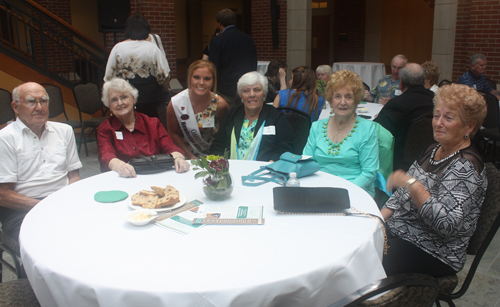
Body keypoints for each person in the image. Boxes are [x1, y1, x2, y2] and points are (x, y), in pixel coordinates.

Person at [381, 83, 488, 278]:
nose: (438, 123)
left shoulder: (465, 167)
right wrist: (378, 220)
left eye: (448, 118)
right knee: (359, 240)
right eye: (436, 115)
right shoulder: (432, 149)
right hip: (403, 233)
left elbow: (446, 225)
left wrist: (412, 184)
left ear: (470, 125)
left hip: (436, 250)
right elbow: (400, 197)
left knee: (369, 261)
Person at [0, 82, 82, 241]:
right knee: (53, 241)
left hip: (62, 201)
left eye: (43, 101)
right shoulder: (5, 139)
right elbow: (3, 195)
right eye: (31, 102)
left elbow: (74, 176)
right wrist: (45, 206)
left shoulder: (65, 131)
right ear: (15, 107)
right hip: (22, 210)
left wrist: (67, 201)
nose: (39, 107)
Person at [303, 70, 379, 197]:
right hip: (320, 189)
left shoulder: (367, 128)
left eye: (348, 97)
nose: (342, 102)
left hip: (356, 191)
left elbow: (369, 173)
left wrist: (343, 193)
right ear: (330, 100)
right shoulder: (317, 126)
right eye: (337, 96)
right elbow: (306, 162)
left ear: (356, 101)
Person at [97, 79, 189, 177]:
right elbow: (106, 155)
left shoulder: (153, 124)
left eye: (124, 97)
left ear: (133, 99)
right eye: (114, 100)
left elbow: (170, 146)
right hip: (124, 178)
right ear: (109, 105)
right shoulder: (106, 128)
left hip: (155, 176)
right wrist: (120, 166)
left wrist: (178, 158)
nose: (120, 103)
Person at [210, 72, 295, 161]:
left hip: (264, 171)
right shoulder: (232, 114)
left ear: (264, 94)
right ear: (241, 95)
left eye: (257, 90)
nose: (252, 94)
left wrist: (273, 162)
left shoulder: (276, 117)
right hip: (231, 170)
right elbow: (218, 145)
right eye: (246, 91)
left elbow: (287, 147)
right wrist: (219, 164)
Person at [104, 12, 170, 118]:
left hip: (125, 98)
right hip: (150, 98)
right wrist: (167, 89)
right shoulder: (152, 48)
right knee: (149, 127)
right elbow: (163, 75)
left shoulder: (117, 48)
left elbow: (109, 77)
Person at [374, 63, 434, 170]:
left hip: (400, 163)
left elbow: (377, 132)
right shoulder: (435, 100)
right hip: (430, 158)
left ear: (401, 83)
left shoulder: (397, 104)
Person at [166, 60, 229, 159]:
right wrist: (190, 156)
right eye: (196, 77)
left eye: (207, 79)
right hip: (185, 156)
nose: (201, 83)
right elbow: (173, 133)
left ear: (213, 81)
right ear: (190, 78)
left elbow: (224, 135)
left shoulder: (221, 105)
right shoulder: (176, 103)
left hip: (212, 157)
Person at [209, 8, 257, 108]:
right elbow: (253, 64)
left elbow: (214, 66)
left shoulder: (217, 41)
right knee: (244, 116)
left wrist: (213, 87)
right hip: (246, 86)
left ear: (219, 23)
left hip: (225, 88)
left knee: (226, 117)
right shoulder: (248, 39)